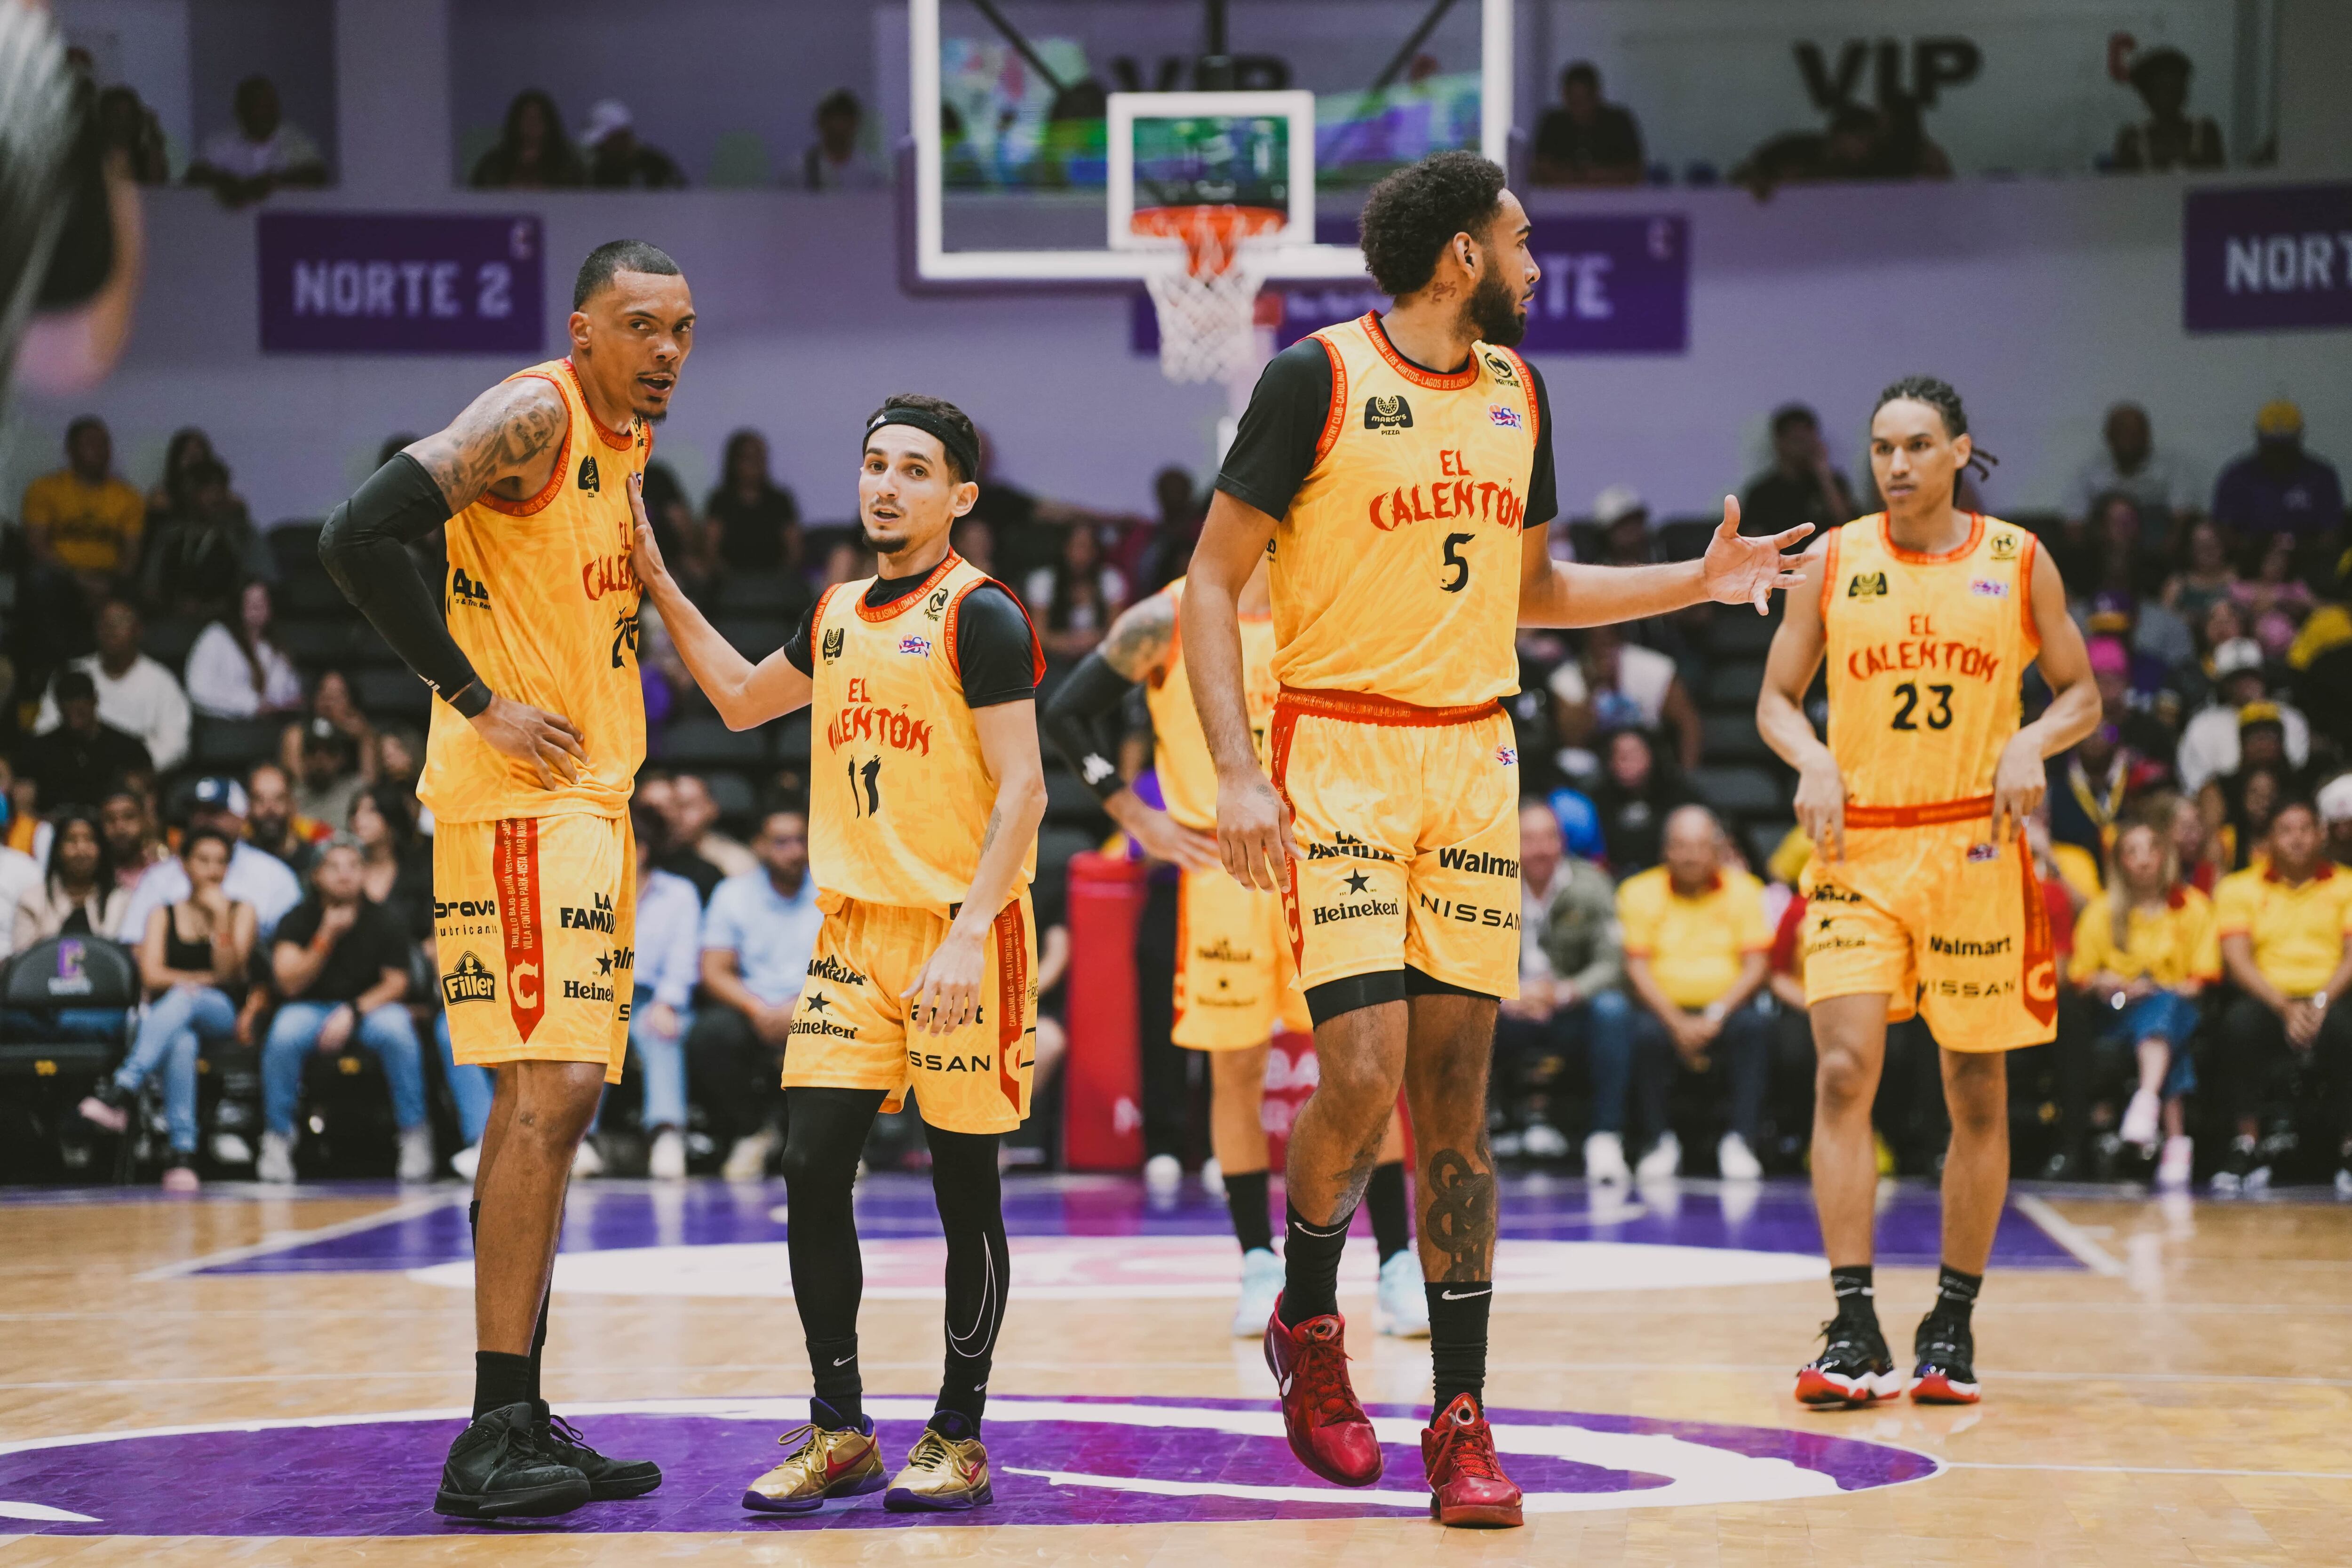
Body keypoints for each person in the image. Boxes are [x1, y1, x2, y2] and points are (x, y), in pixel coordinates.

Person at [1183, 150, 1807, 1526]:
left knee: (1456, 1101)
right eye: (1519, 240)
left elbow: (1536, 589)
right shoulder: (1313, 380)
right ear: (1461, 254)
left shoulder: (1521, 390)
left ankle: (1459, 1416)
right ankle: (1309, 1319)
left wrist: (1697, 584)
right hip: (1341, 750)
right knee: (1362, 1069)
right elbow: (1209, 582)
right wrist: (1234, 772)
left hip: (1472, 755)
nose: (1533, 262)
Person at [320, 238, 693, 1518]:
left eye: (682, 328)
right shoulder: (535, 412)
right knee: (558, 1091)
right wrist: (474, 697)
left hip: (585, 801)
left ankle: (515, 1412)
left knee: (540, 1104)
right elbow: (356, 534)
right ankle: (490, 1435)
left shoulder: (627, 442)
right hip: (526, 801)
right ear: (583, 330)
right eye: (641, 325)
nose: (667, 350)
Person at [631, 391, 1050, 1515]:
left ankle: (958, 1432)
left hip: (962, 935)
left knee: (965, 1190)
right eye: (875, 464)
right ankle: (840, 1428)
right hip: (852, 937)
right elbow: (735, 700)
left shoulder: (981, 614)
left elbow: (1025, 790)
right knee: (811, 1167)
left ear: (959, 495)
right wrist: (660, 580)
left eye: (914, 469)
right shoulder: (833, 613)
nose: (886, 485)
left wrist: (968, 933)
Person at [1758, 375, 2099, 1409]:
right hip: (1858, 849)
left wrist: (2034, 739)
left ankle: (1951, 1319)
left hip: (1974, 851)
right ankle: (1853, 1321)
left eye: (1916, 445)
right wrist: (1813, 757)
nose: (1896, 464)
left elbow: (2082, 693)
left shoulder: (2017, 558)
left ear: (1959, 451)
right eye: (1881, 447)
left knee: (1976, 1090)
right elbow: (1776, 700)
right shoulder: (1836, 557)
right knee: (1841, 1073)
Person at [1041, 565, 1428, 1341]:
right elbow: (1065, 712)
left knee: (1366, 1064)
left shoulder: (1329, 596)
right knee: (1236, 1070)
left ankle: (1396, 1260)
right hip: (1222, 873)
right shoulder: (1167, 616)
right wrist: (1135, 814)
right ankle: (1257, 1261)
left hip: (1326, 863)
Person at [76, 827, 256, 1192]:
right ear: (185, 864)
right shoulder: (163, 913)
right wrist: (197, 980)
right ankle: (182, 1155)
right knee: (182, 1042)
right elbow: (152, 975)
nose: (213, 870)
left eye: (221, 862)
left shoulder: (241, 910)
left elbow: (231, 975)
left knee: (187, 997)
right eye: (203, 860)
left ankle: (124, 1087)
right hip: (173, 1021)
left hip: (223, 1013)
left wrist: (220, 920)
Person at [258, 837, 430, 1183]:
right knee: (283, 1034)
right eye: (334, 867)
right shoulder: (298, 918)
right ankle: (278, 1138)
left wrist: (352, 1012)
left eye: (353, 866)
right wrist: (327, 936)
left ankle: (414, 1133)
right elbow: (288, 982)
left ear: (365, 873)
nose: (345, 875)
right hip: (308, 1007)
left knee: (398, 1030)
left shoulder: (385, 918)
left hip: (369, 1009)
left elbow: (397, 983)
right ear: (316, 876)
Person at [1616, 806, 1772, 1180]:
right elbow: (1636, 968)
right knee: (1640, 1034)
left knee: (1757, 1028)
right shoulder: (1637, 891)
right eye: (1681, 845)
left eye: (1701, 846)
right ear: (1665, 850)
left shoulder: (1746, 889)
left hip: (1726, 1009)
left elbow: (1757, 965)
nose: (1691, 855)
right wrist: (1677, 1022)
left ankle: (1741, 1140)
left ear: (1717, 850)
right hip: (1662, 1010)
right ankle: (1658, 1141)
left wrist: (1715, 1014)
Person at [2209, 799, 2352, 1193]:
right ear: (2268, 839)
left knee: (2348, 1028)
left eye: (2306, 829)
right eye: (2286, 830)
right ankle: (2246, 1144)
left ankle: (2350, 1147)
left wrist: (2322, 1001)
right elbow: (2236, 958)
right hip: (2269, 998)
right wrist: (2284, 1006)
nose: (2297, 839)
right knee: (2237, 1024)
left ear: (2322, 835)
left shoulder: (2347, 884)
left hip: (2332, 995)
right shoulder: (2239, 887)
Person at [2070, 818, 2215, 1189]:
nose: (2144, 859)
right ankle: (2175, 1139)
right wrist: (2108, 981)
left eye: (2151, 849)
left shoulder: (2194, 907)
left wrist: (2159, 988)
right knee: (2169, 1032)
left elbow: (2203, 979)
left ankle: (2147, 1099)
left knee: (2166, 1009)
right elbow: (2081, 976)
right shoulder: (2101, 910)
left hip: (2176, 1004)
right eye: (2132, 852)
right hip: (2118, 1011)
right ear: (2119, 862)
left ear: (2165, 856)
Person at [680, 808, 821, 1178]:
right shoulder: (733, 894)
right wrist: (756, 1007)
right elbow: (713, 970)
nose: (795, 851)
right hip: (753, 1007)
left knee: (855, 1025)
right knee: (710, 1034)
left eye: (801, 840)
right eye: (782, 842)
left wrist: (798, 1008)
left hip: (816, 1005)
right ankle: (754, 1130)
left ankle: (828, 1140)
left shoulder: (831, 893)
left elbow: (850, 966)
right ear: (759, 846)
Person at [1495, 799, 1629, 1174]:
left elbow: (1611, 962)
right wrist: (1507, 996)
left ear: (1562, 842)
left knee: (1614, 1010)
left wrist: (1564, 992)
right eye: (1529, 839)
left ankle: (1606, 1136)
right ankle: (1480, 1129)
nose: (1540, 849)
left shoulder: (1592, 884)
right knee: (1459, 1009)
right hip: (1507, 1010)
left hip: (1569, 1010)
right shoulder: (1490, 885)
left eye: (1549, 838)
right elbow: (1467, 956)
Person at [117, 775, 303, 942]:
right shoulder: (159, 877)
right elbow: (134, 941)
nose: (204, 820)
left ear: (241, 817)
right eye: (197, 811)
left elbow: (291, 948)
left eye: (215, 812)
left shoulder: (273, 875)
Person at [617, 805, 699, 1179]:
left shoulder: (679, 893)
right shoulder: (588, 891)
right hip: (600, 998)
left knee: (659, 1028)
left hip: (656, 997)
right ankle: (582, 1140)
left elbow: (684, 958)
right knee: (587, 1037)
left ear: (642, 850)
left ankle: (667, 1133)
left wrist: (667, 1001)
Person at [34, 599, 190, 773]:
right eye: (104, 623)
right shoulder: (71, 675)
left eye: (119, 622)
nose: (110, 629)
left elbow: (175, 745)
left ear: (139, 630)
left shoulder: (162, 681)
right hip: (71, 774)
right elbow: (45, 729)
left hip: (134, 776)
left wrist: (135, 768)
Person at [1549, 623, 1700, 773]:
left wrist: (1687, 774)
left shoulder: (1653, 669)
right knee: (1572, 760)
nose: (1603, 645)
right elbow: (1573, 741)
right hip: (1599, 762)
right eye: (1595, 639)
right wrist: (1592, 689)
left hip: (1649, 754)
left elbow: (1688, 723)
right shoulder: (1567, 679)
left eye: (1609, 637)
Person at [137, 456, 270, 618]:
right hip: (170, 618)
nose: (215, 498)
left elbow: (259, 582)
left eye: (219, 491)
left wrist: (213, 608)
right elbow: (149, 587)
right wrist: (172, 606)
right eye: (207, 491)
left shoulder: (241, 533)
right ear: (190, 493)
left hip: (225, 620)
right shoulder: (171, 534)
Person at [20, 414, 142, 588]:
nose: (99, 450)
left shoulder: (128, 496)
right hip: (61, 573)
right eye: (91, 444)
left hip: (108, 576)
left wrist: (112, 583)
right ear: (71, 449)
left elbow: (132, 553)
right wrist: (77, 577)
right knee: (40, 577)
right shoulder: (44, 489)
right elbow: (37, 545)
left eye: (104, 444)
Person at [2177, 638, 2311, 795]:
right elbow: (2195, 783)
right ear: (2223, 685)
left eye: (2252, 676)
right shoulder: (2202, 725)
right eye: (2237, 679)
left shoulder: (2291, 718)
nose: (2246, 684)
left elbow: (2296, 769)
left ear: (2263, 677)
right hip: (2223, 799)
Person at [16, 667, 149, 813]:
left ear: (94, 699)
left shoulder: (127, 749)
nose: (73, 706)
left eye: (80, 698)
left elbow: (144, 802)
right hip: (54, 823)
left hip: (111, 823)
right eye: (67, 700)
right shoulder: (37, 751)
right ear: (58, 704)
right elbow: (24, 806)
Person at [184, 74, 327, 206]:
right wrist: (223, 182)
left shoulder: (293, 139)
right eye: (257, 105)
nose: (265, 112)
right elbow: (195, 175)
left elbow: (316, 175)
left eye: (270, 106)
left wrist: (274, 182)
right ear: (241, 110)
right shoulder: (223, 141)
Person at [2211, 401, 2344, 542]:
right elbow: (2223, 529)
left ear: (2299, 437)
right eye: (2272, 446)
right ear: (2259, 437)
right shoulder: (2237, 477)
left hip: (2308, 552)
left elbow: (2332, 531)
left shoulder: (2321, 477)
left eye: (2285, 447)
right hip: (2250, 552)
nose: (2279, 455)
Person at [2068, 402, 2201, 527]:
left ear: (2147, 436)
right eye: (2122, 434)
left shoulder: (2170, 467)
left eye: (2135, 434)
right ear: (2109, 437)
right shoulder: (2092, 472)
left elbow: (2183, 516)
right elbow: (2075, 520)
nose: (2129, 442)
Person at [185, 580, 304, 719]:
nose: (257, 608)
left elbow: (289, 693)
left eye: (262, 602)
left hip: (270, 725)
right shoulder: (216, 636)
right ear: (239, 606)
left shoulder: (274, 646)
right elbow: (198, 690)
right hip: (223, 726)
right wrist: (252, 704)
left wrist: (292, 701)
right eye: (250, 603)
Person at [1741, 403, 1858, 541]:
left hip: (1826, 553)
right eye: (1797, 440)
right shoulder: (1761, 494)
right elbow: (1753, 541)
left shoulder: (1832, 483)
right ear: (1780, 443)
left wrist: (1824, 475)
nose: (1804, 447)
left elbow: (1849, 526)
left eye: (1809, 440)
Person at [13, 804, 124, 948]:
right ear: (58, 849)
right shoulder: (32, 901)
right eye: (71, 840)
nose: (81, 849)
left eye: (90, 840)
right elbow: (24, 957)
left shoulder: (121, 900)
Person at [705, 428, 805, 577]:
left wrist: (781, 576)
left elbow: (795, 548)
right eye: (749, 459)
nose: (756, 466)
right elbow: (710, 549)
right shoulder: (721, 501)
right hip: (730, 580)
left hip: (776, 579)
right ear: (735, 463)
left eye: (760, 458)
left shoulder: (780, 500)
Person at [2110, 47, 2224, 173]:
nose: (2170, 98)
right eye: (2162, 90)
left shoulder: (2205, 133)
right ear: (2147, 96)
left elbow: (2220, 180)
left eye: (2176, 89)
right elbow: (2123, 183)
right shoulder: (2132, 140)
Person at [1530, 62, 1644, 187]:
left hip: (1612, 198)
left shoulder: (1618, 123)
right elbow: (1540, 169)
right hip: (1562, 198)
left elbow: (1634, 171)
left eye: (1583, 100)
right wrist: (1578, 178)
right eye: (1573, 101)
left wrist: (1598, 176)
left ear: (1596, 96)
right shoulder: (1553, 124)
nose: (1578, 108)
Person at [1025, 523, 1127, 662]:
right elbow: (1039, 636)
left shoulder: (1110, 579)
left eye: (1087, 548)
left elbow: (1117, 632)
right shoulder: (1044, 580)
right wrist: (1069, 644)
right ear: (1065, 548)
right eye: (1076, 547)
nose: (1081, 555)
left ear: (1096, 551)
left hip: (1098, 657)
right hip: (1054, 659)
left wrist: (1092, 640)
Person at [350, 784, 432, 942]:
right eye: (355, 811)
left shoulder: (420, 870)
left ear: (391, 815)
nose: (358, 819)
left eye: (372, 811)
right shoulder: (344, 872)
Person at [470, 88, 584, 189]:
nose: (532, 125)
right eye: (526, 118)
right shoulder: (495, 164)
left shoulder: (566, 165)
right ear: (516, 122)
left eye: (538, 119)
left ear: (549, 123)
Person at [580, 99, 685, 190]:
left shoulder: (656, 166)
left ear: (623, 136)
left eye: (606, 141)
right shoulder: (593, 167)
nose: (601, 148)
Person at [245, 760, 325, 879]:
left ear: (292, 804)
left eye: (279, 799)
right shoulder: (236, 858)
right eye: (259, 799)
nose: (270, 809)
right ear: (248, 806)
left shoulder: (314, 859)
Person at [801, 89, 888, 191]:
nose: (838, 125)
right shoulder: (801, 168)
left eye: (845, 118)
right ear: (821, 122)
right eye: (833, 117)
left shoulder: (871, 172)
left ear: (855, 123)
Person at [292, 716, 365, 832]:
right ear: (303, 757)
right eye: (312, 750)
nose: (320, 758)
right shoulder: (292, 797)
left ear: (341, 758)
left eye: (330, 750)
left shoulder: (356, 791)